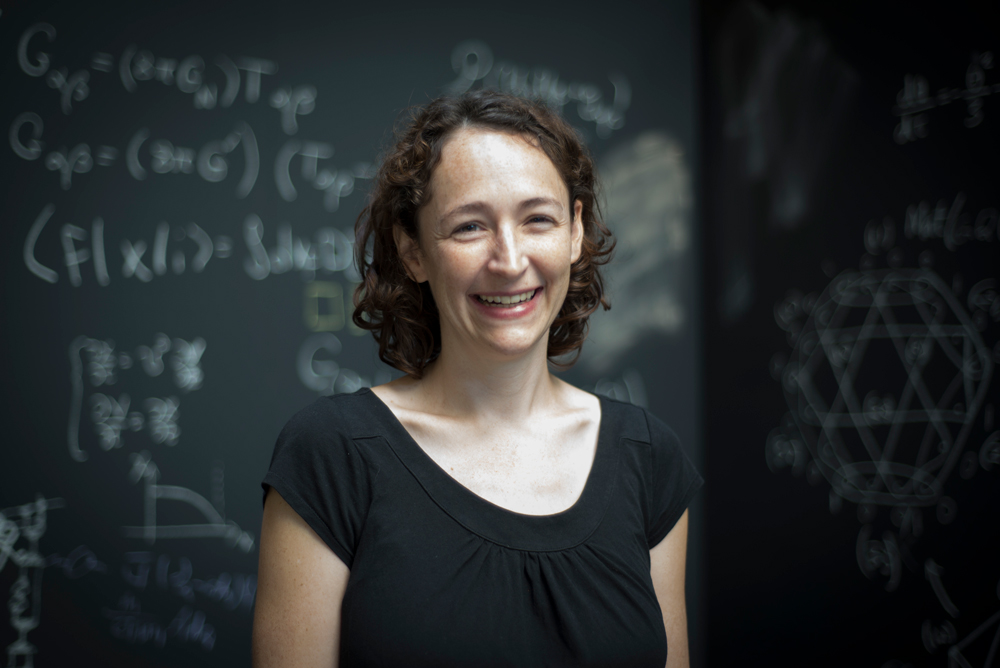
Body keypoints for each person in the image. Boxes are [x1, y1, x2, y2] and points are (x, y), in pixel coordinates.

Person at [253, 90, 703, 668]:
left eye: (537, 219)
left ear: (574, 233)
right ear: (412, 251)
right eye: (469, 227)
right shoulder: (331, 455)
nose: (509, 259)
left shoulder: (649, 459)